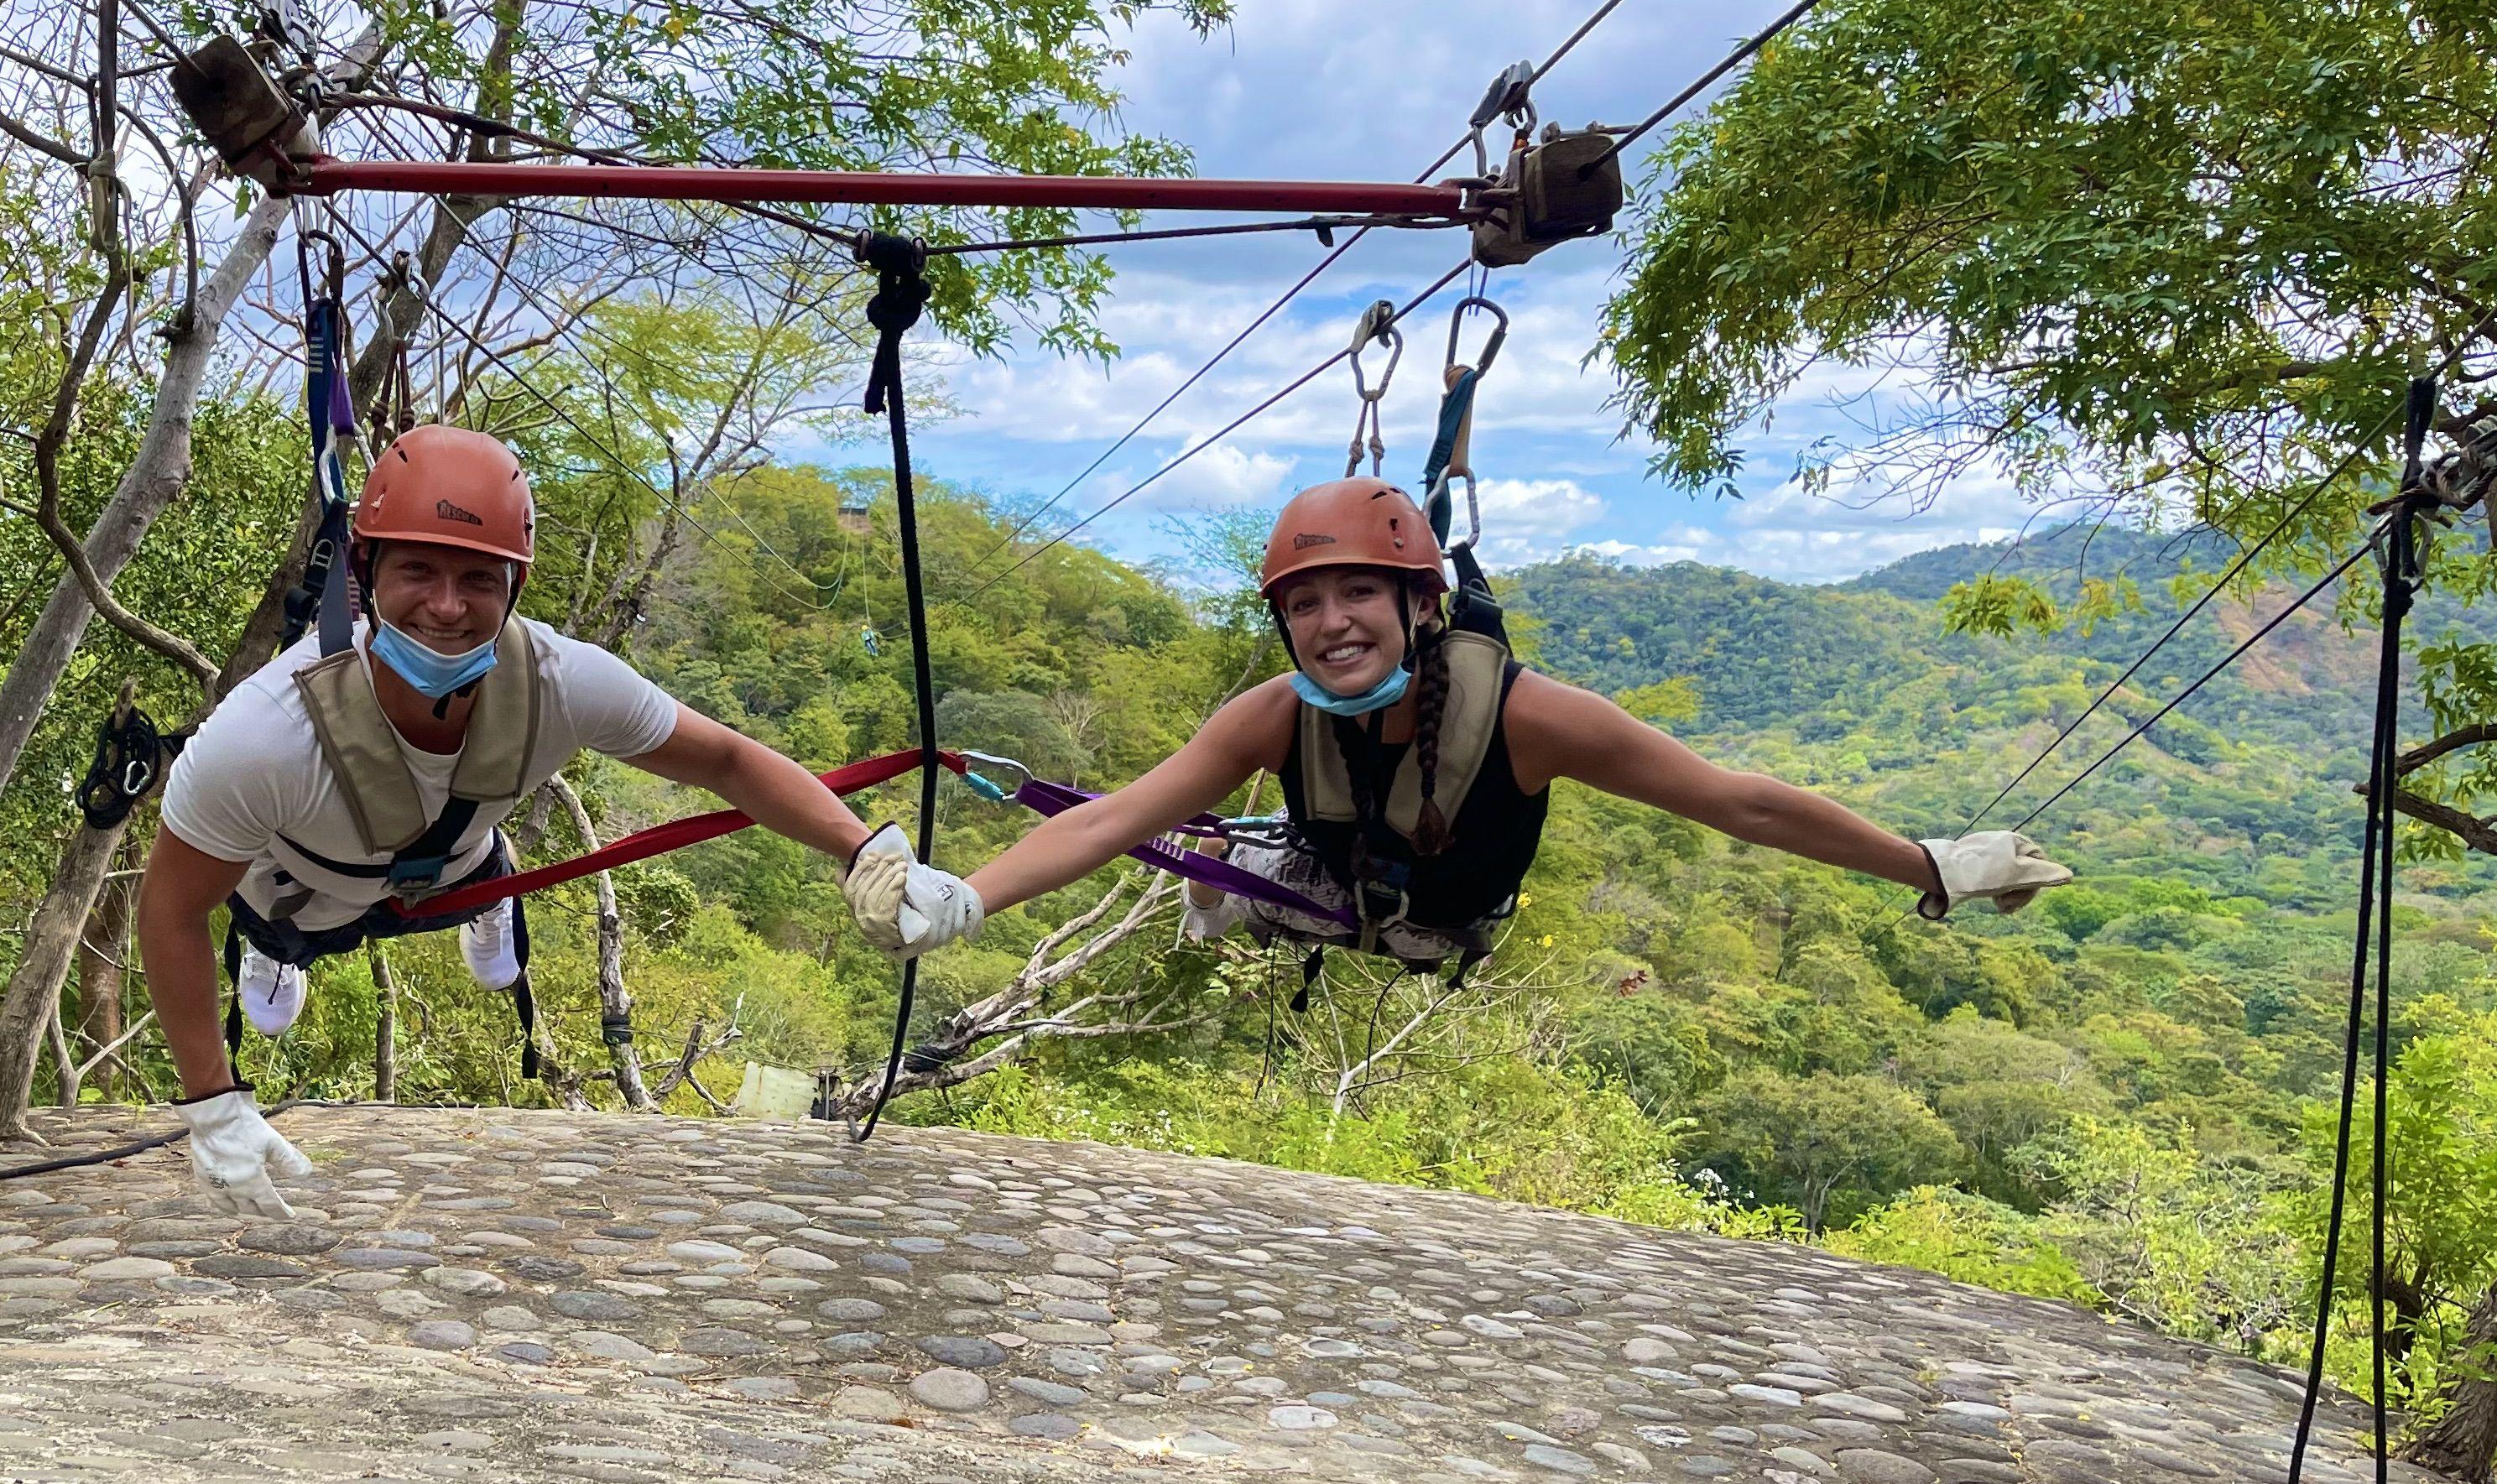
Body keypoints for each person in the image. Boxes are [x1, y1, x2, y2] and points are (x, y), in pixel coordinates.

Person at [138, 424, 981, 1211]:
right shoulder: (264, 734)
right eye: (417, 572)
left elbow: (725, 760)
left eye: (478, 578)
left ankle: (483, 901)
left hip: (457, 863)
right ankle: (285, 965)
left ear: (516, 586)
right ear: (366, 575)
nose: (445, 606)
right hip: (297, 891)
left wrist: (866, 851)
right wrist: (214, 1103)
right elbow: (173, 908)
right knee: (284, 957)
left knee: (479, 893)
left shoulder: (559, 681)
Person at [957, 476, 2071, 966]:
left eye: (1356, 595)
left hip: (1445, 911)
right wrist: (965, 899)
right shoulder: (1267, 717)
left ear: (1421, 606)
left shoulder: (1530, 718)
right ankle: (1227, 884)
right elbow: (1109, 821)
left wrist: (1924, 864)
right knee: (1204, 845)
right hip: (1322, 877)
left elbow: (1737, 801)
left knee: (1231, 857)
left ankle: (1230, 879)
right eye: (1304, 605)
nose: (1330, 624)